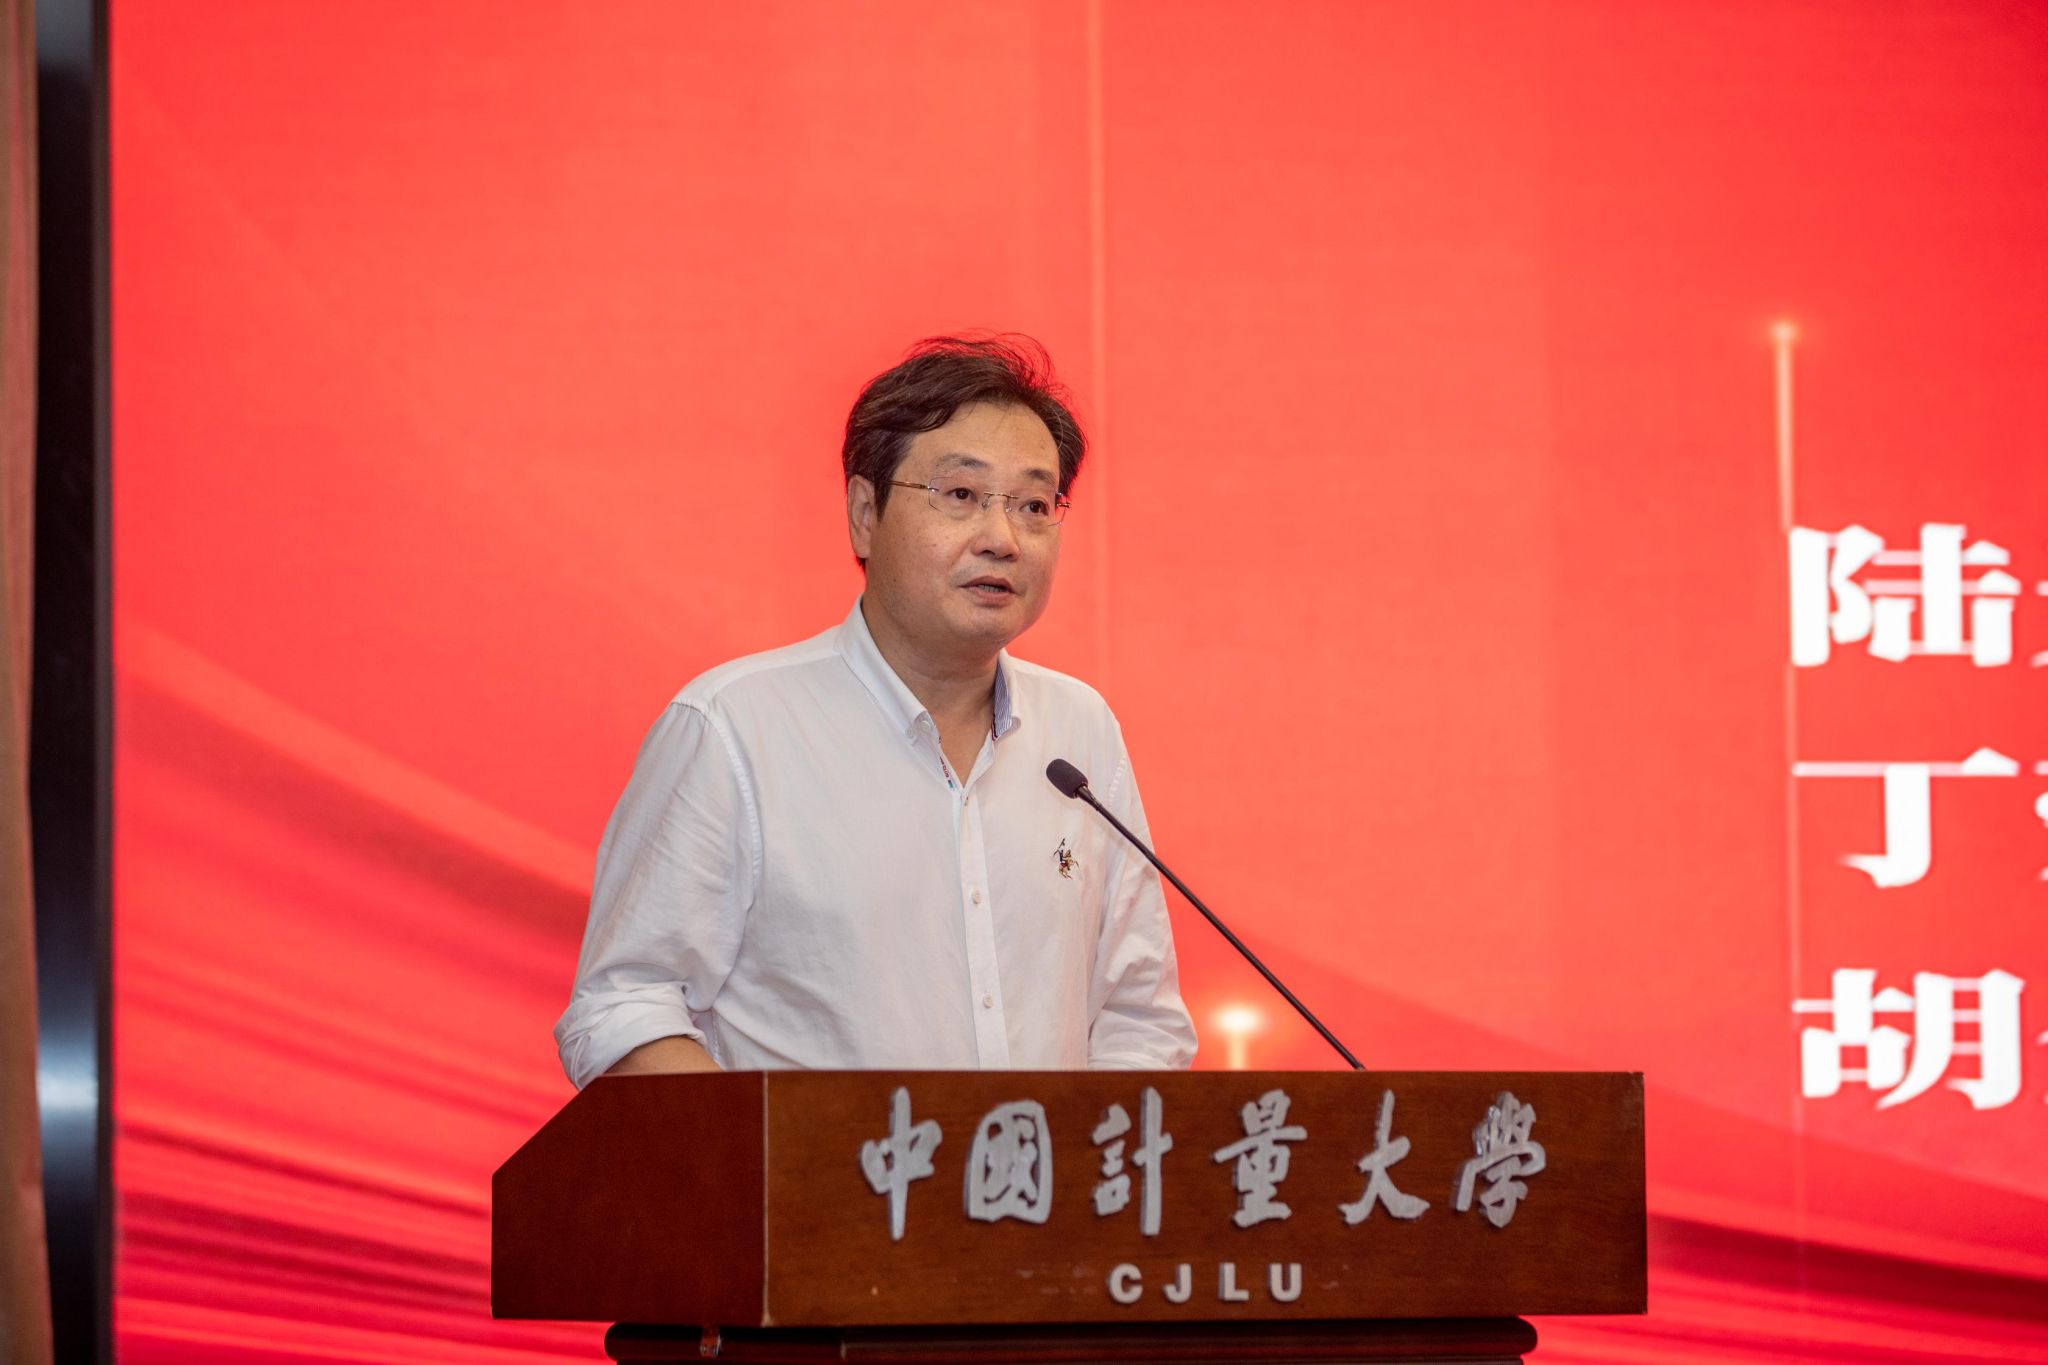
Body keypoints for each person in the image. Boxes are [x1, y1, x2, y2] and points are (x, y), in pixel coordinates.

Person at [554, 335, 1197, 1082]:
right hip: (808, 1166)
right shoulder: (734, 728)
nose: (1003, 539)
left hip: (1044, 1165)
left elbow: (1137, 1018)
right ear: (865, 513)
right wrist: (776, 1148)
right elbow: (622, 1006)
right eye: (961, 496)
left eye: (1032, 505)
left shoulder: (1079, 730)